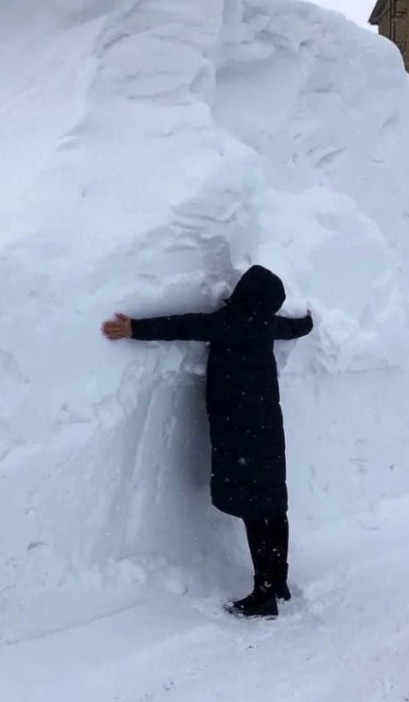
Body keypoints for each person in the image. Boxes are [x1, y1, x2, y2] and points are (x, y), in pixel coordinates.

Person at [102, 265, 313, 619]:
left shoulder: (229, 323)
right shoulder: (267, 324)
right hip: (267, 429)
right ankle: (277, 580)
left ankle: (264, 595)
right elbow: (297, 328)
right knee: (273, 505)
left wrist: (134, 328)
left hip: (239, 431)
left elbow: (182, 325)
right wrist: (308, 321)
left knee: (254, 511)